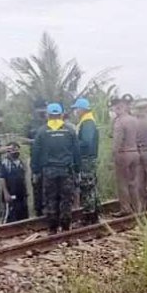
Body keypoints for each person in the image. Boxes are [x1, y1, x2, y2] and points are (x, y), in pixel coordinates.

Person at [31, 103, 81, 233]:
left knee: (50, 198)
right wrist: (78, 169)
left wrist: (35, 170)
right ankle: (65, 226)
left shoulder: (42, 132)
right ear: (61, 115)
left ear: (48, 115)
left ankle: (52, 228)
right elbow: (76, 152)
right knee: (66, 198)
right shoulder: (70, 131)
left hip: (49, 171)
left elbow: (35, 152)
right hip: (66, 170)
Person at [111, 94, 141, 215]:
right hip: (135, 153)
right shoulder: (134, 120)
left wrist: (112, 155)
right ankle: (137, 207)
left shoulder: (119, 122)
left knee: (122, 182)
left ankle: (125, 208)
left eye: (115, 108)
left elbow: (117, 141)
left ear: (119, 108)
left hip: (123, 154)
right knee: (133, 182)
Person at [73, 98, 100, 224]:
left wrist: (73, 143)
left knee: (87, 187)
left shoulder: (88, 123)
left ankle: (89, 215)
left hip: (87, 159)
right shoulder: (86, 121)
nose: (75, 111)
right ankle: (93, 214)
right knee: (91, 187)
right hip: (88, 158)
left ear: (82, 109)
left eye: (76, 109)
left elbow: (86, 142)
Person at [26, 103, 48, 217]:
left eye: (44, 108)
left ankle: (47, 208)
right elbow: (23, 139)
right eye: (40, 108)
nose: (42, 111)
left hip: (48, 159)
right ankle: (38, 210)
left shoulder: (49, 123)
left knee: (48, 184)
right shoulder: (30, 124)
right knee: (36, 184)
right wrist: (36, 141)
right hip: (35, 158)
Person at [0, 141, 29, 223]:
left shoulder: (21, 163)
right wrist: (5, 193)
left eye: (17, 149)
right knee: (10, 216)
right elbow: (2, 178)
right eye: (13, 149)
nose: (15, 151)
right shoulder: (4, 163)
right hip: (10, 193)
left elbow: (25, 177)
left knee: (23, 216)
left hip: (21, 194)